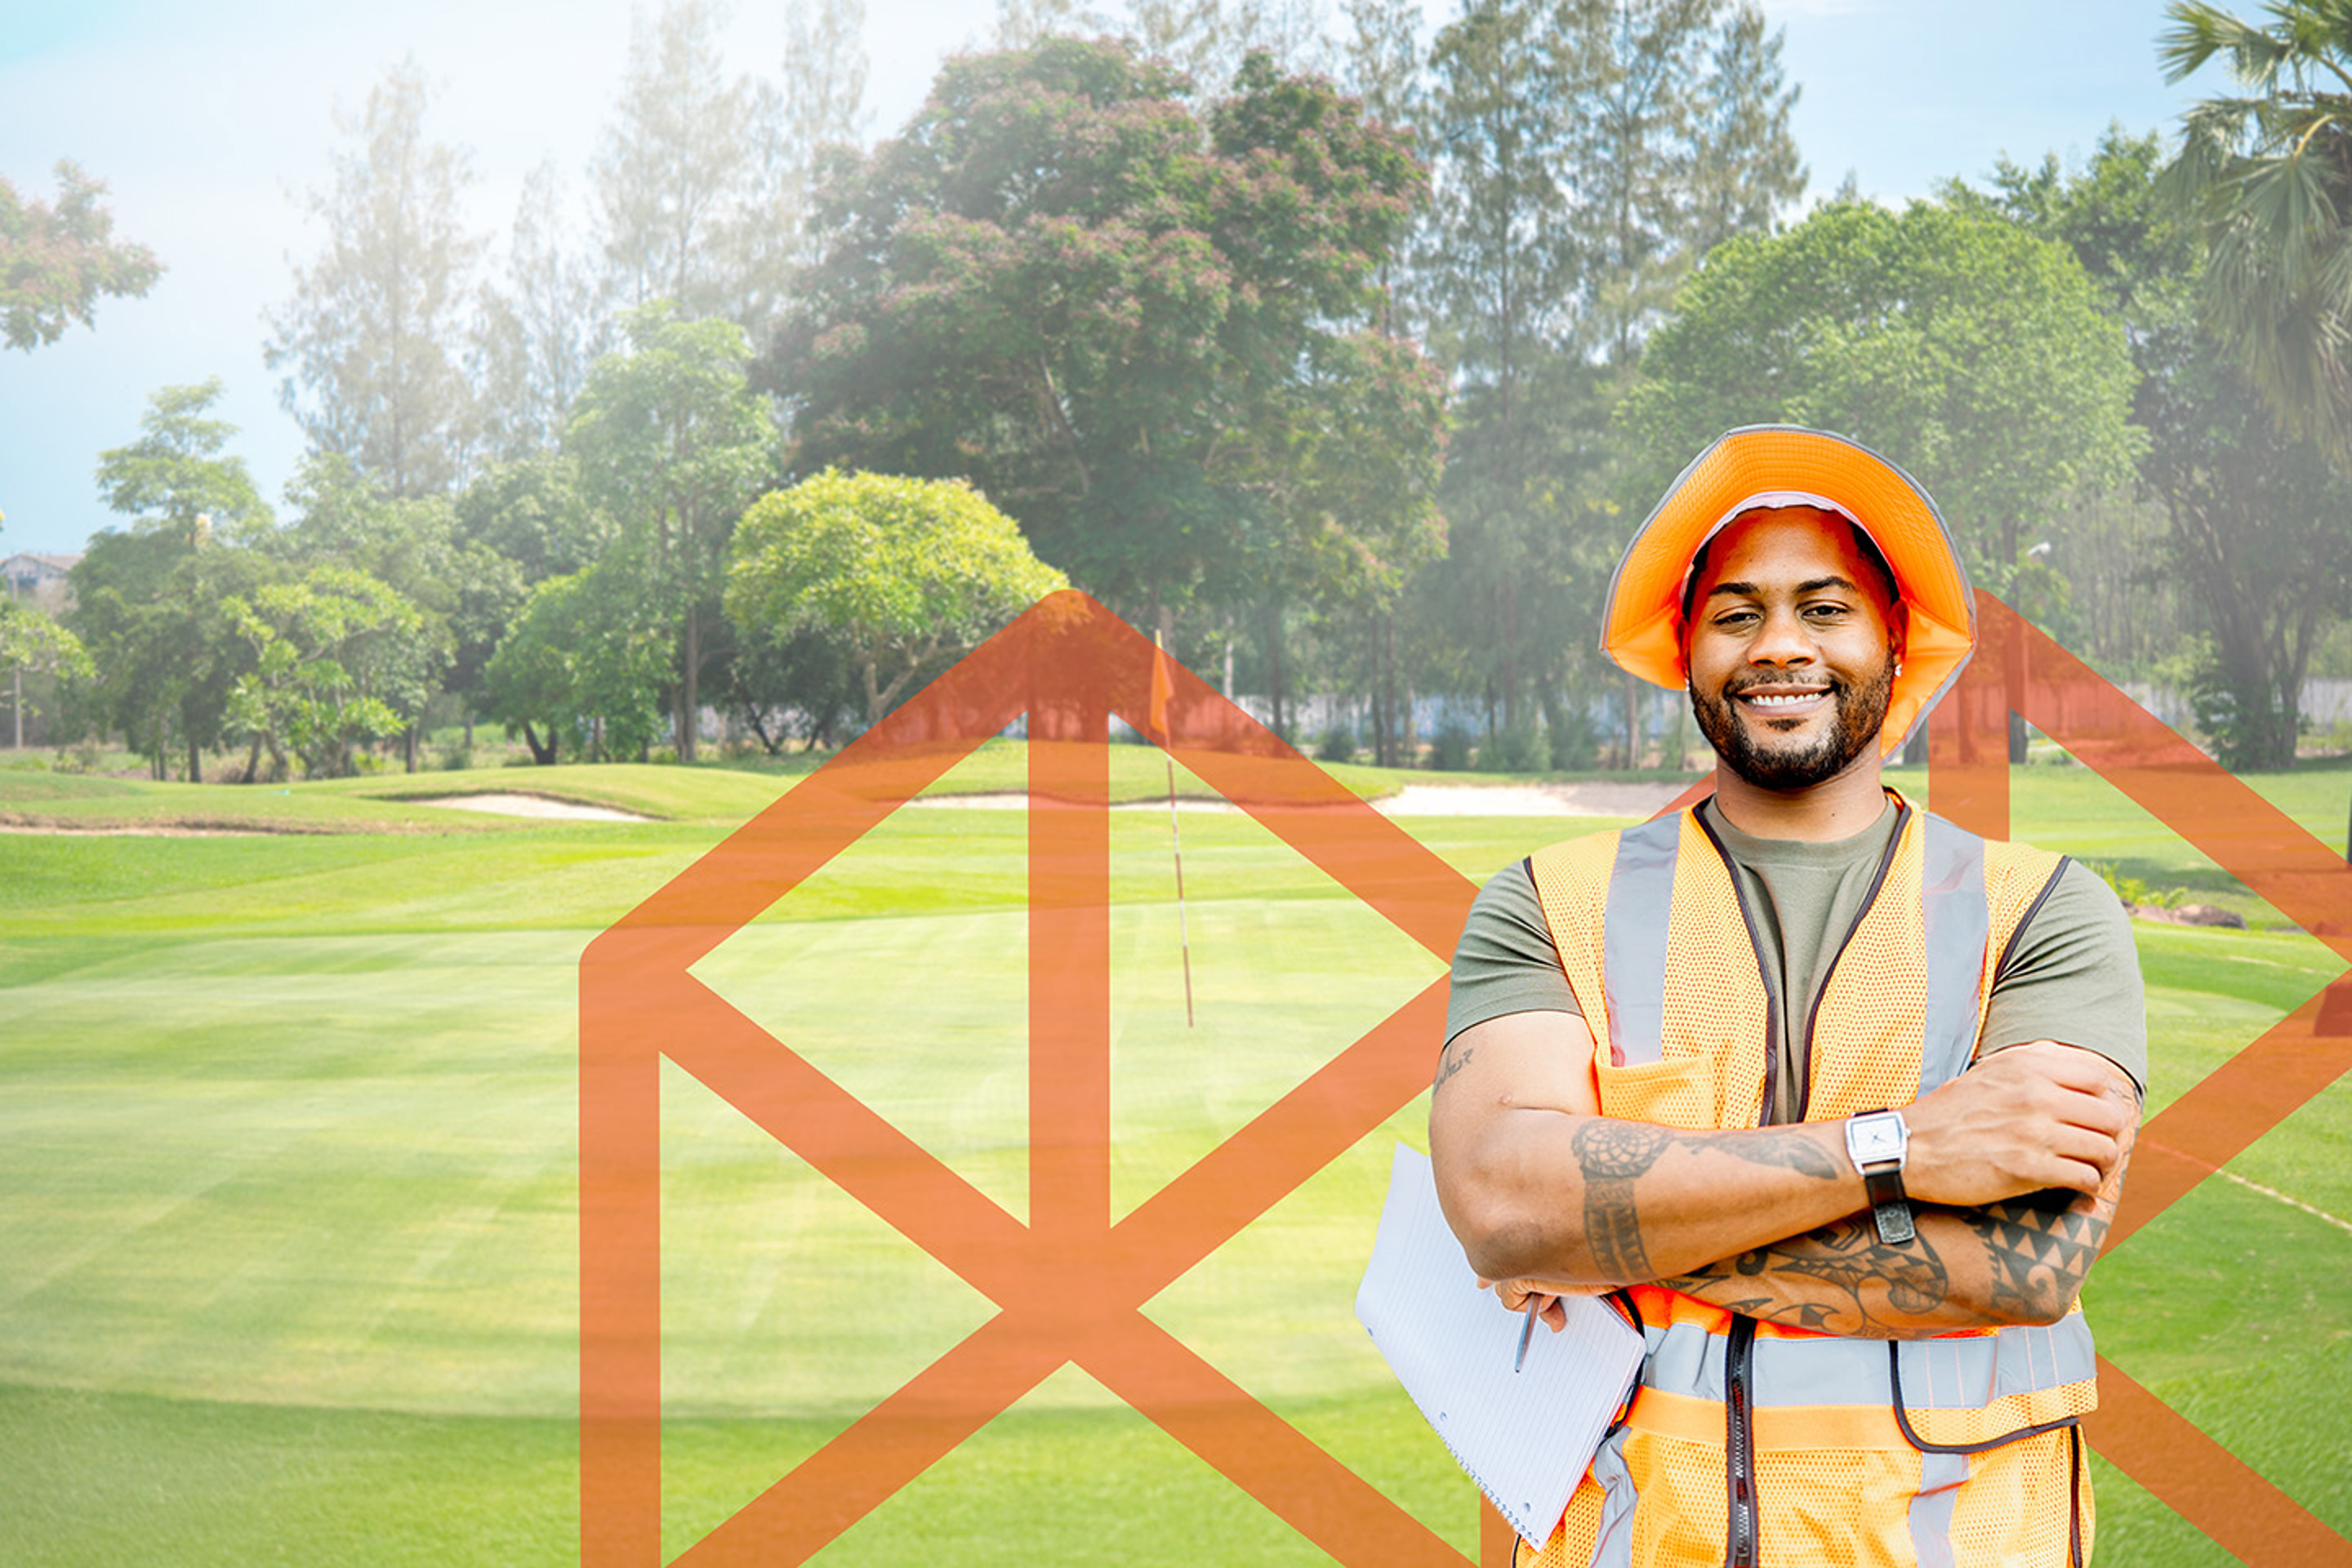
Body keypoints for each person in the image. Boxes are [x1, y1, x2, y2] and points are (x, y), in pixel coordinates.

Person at [1428, 425, 2145, 1568]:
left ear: (1893, 640)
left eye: (1824, 608)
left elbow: (2027, 1264)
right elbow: (1501, 1204)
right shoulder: (1547, 904)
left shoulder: (2040, 911)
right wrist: (1899, 1150)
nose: (1779, 647)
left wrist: (1606, 1231)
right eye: (1736, 613)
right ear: (1687, 648)